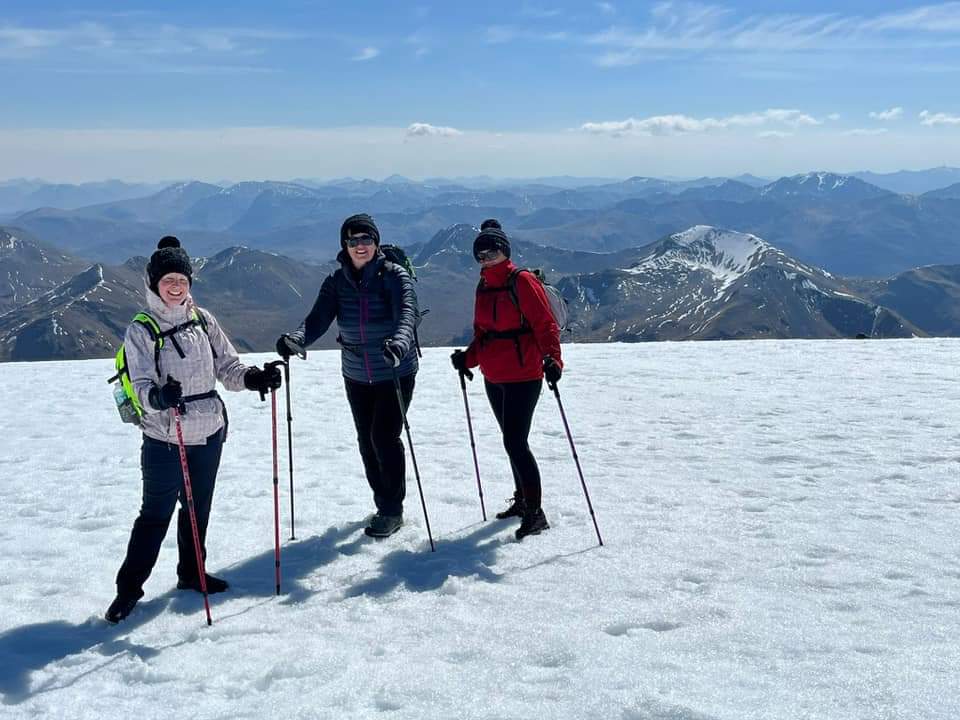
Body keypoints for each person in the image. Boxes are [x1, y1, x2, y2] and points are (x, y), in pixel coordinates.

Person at [105, 236, 282, 624]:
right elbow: (141, 384)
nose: (176, 286)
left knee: (197, 510)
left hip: (209, 432)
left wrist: (254, 379)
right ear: (154, 283)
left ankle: (192, 573)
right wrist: (160, 398)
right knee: (154, 515)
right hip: (164, 437)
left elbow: (228, 367)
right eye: (168, 279)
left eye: (182, 279)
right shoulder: (142, 330)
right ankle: (128, 590)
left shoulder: (203, 319)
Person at [275, 214, 419, 538]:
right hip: (356, 373)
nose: (360, 246)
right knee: (366, 441)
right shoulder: (336, 282)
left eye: (366, 239)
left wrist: (399, 344)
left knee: (384, 437)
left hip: (394, 369)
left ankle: (392, 510)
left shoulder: (394, 276)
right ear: (345, 245)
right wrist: (296, 339)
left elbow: (407, 314)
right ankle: (383, 502)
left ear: (376, 242)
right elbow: (317, 319)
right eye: (353, 240)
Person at [451, 219, 563, 540]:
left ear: (505, 251)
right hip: (494, 374)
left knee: (515, 442)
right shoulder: (484, 285)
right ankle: (523, 500)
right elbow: (483, 332)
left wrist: (554, 360)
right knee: (510, 441)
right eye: (480, 254)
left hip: (524, 375)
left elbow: (545, 325)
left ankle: (535, 512)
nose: (486, 258)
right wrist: (468, 359)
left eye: (492, 252)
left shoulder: (522, 281)